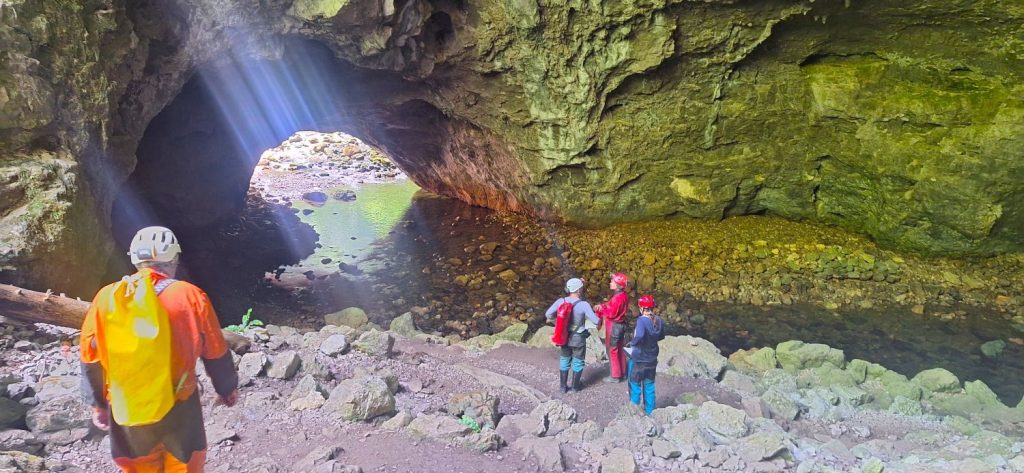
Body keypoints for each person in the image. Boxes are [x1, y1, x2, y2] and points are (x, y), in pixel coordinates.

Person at [80, 226, 239, 472]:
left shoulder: (106, 297)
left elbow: (91, 356)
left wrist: (98, 405)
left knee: (138, 467)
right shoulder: (189, 295)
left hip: (127, 404)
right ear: (173, 259)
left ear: (135, 261)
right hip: (179, 403)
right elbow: (215, 349)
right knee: (184, 466)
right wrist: (226, 389)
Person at [545, 278, 600, 393]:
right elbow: (596, 321)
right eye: (581, 288)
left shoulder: (561, 301)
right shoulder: (584, 305)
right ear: (579, 290)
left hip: (564, 336)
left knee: (564, 359)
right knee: (578, 361)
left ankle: (563, 387)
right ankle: (575, 387)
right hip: (578, 337)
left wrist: (557, 323)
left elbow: (548, 314)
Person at [626, 294, 665, 415]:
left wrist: (631, 343)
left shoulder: (641, 321)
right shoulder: (659, 320)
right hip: (652, 359)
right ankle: (650, 412)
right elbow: (661, 336)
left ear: (641, 308)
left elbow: (640, 336)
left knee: (635, 385)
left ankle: (635, 412)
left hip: (639, 359)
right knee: (649, 385)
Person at [595, 272, 630, 383]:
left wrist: (601, 308)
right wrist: (605, 305)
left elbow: (611, 314)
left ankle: (615, 376)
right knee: (619, 348)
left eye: (612, 281)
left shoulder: (617, 298)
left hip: (614, 326)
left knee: (612, 349)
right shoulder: (623, 295)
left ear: (618, 285)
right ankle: (623, 372)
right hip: (621, 325)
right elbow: (613, 307)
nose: (610, 283)